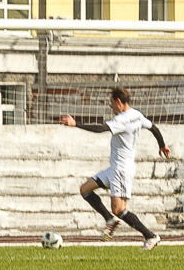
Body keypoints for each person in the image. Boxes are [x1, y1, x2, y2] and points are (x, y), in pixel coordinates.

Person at [61, 86, 170, 250]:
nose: (111, 106)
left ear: (119, 102)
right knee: (85, 189)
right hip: (114, 169)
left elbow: (101, 129)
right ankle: (109, 219)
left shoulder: (122, 119)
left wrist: (76, 124)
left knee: (119, 210)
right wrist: (162, 145)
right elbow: (154, 128)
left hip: (121, 170)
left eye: (111, 103)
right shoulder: (137, 115)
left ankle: (150, 236)